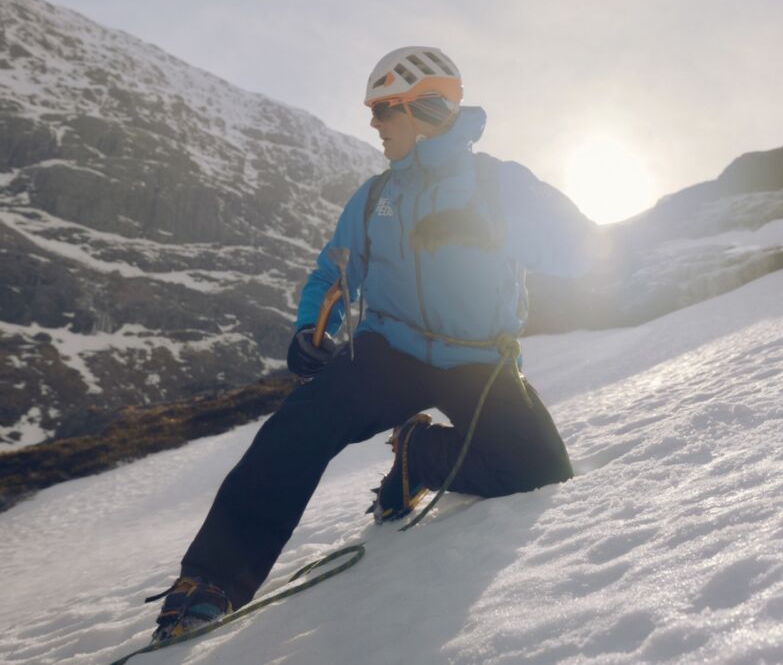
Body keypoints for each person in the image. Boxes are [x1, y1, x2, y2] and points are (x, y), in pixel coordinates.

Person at [148, 46, 595, 642]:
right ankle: (211, 581)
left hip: (480, 359)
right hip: (390, 351)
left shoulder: (499, 184)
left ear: (426, 108)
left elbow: (581, 250)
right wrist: (313, 328)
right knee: (300, 424)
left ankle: (422, 455)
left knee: (541, 470)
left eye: (385, 110)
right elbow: (333, 274)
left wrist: (493, 230)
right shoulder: (374, 197)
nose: (374, 124)